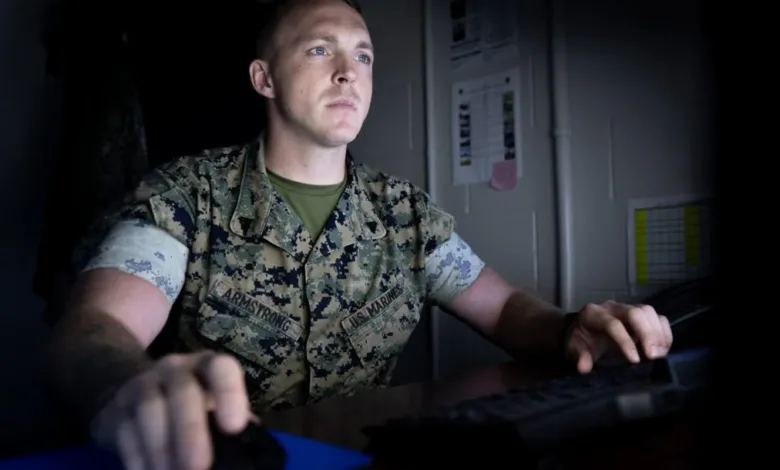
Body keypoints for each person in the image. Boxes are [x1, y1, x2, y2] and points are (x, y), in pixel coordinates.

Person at [43, 0, 673, 469]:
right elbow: (96, 327)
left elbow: (505, 308)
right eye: (320, 50)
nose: (349, 71)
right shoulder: (185, 195)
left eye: (363, 55)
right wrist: (124, 385)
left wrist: (570, 329)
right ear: (264, 78)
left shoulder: (404, 212)